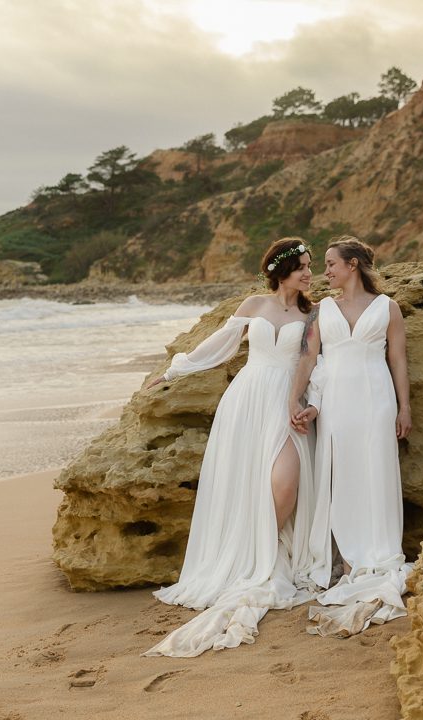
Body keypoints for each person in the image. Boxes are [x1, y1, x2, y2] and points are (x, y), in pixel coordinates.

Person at [141, 237, 329, 657]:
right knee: (245, 483)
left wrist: (308, 403)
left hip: (287, 402)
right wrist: (175, 371)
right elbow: (218, 346)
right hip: (246, 402)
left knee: (285, 486)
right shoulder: (253, 306)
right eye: (301, 266)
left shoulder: (313, 313)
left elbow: (316, 363)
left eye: (311, 266)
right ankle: (248, 556)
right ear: (281, 270)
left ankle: (263, 552)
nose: (308, 273)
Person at [289, 236, 413, 637]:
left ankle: (378, 552)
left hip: (377, 400)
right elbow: (309, 358)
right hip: (338, 403)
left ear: (354, 265)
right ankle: (346, 560)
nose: (324, 272)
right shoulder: (322, 310)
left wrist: (404, 407)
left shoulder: (388, 307)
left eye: (330, 264)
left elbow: (398, 360)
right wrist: (298, 399)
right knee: (343, 476)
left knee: (377, 472)